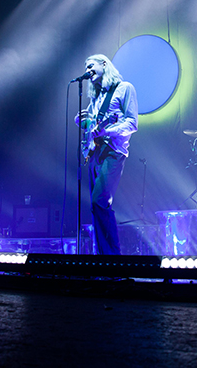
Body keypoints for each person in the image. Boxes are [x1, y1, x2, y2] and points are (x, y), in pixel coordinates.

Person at [75, 54, 138, 255]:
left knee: (99, 201)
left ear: (104, 64)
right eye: (85, 66)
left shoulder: (125, 88)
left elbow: (131, 123)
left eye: (90, 65)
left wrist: (106, 131)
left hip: (113, 152)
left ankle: (113, 259)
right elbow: (92, 125)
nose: (88, 69)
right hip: (95, 153)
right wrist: (84, 122)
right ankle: (103, 257)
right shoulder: (96, 97)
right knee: (96, 207)